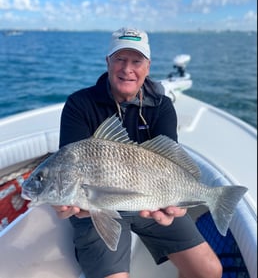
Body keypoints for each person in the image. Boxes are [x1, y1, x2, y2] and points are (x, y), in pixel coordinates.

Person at [53, 27, 222, 278]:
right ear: (107, 62)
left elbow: (170, 160)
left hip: (150, 197)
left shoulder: (162, 105)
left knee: (210, 271)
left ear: (148, 66)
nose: (127, 69)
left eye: (136, 61)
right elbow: (70, 165)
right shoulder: (80, 104)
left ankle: (213, 198)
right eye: (120, 59)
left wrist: (177, 204)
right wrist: (70, 201)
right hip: (97, 206)